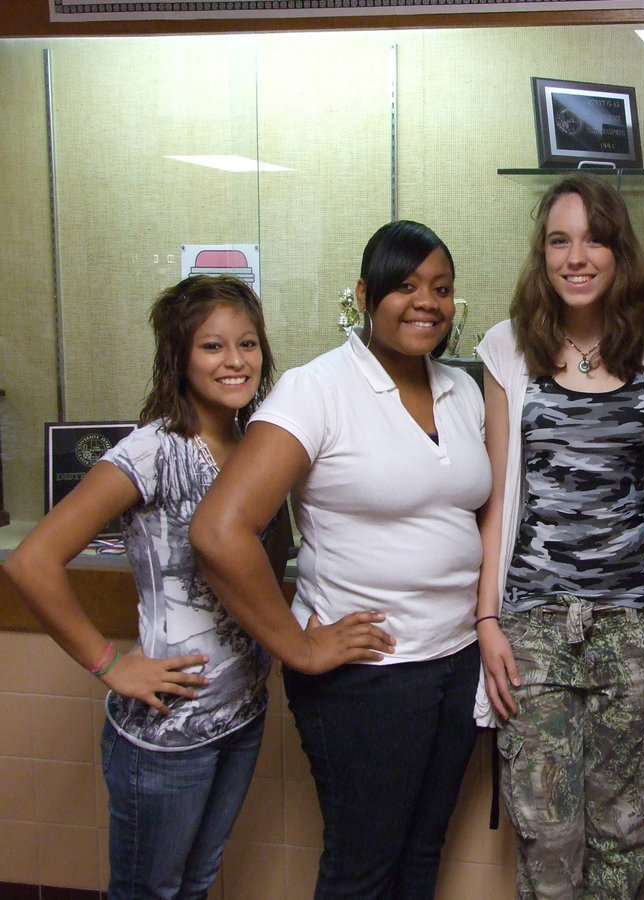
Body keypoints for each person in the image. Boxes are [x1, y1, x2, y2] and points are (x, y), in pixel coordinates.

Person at [189, 221, 490, 899]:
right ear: (364, 294)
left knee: (421, 858)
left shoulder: (461, 391)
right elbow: (219, 530)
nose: (427, 303)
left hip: (453, 663)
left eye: (441, 289)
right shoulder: (316, 388)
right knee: (363, 870)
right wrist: (296, 645)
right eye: (406, 286)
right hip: (369, 680)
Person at [3, 275, 285, 899]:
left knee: (196, 883)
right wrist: (109, 664)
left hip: (241, 713)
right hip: (167, 733)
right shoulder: (153, 449)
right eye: (212, 347)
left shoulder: (255, 443)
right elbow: (32, 561)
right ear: (179, 356)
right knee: (149, 892)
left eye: (248, 343)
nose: (236, 361)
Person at [474, 174, 644, 900]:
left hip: (633, 627)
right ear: (542, 254)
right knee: (547, 838)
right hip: (534, 626)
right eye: (560, 240)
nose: (577, 256)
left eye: (594, 238)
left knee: (626, 837)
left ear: (619, 251)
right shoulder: (508, 348)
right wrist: (488, 619)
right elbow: (500, 497)